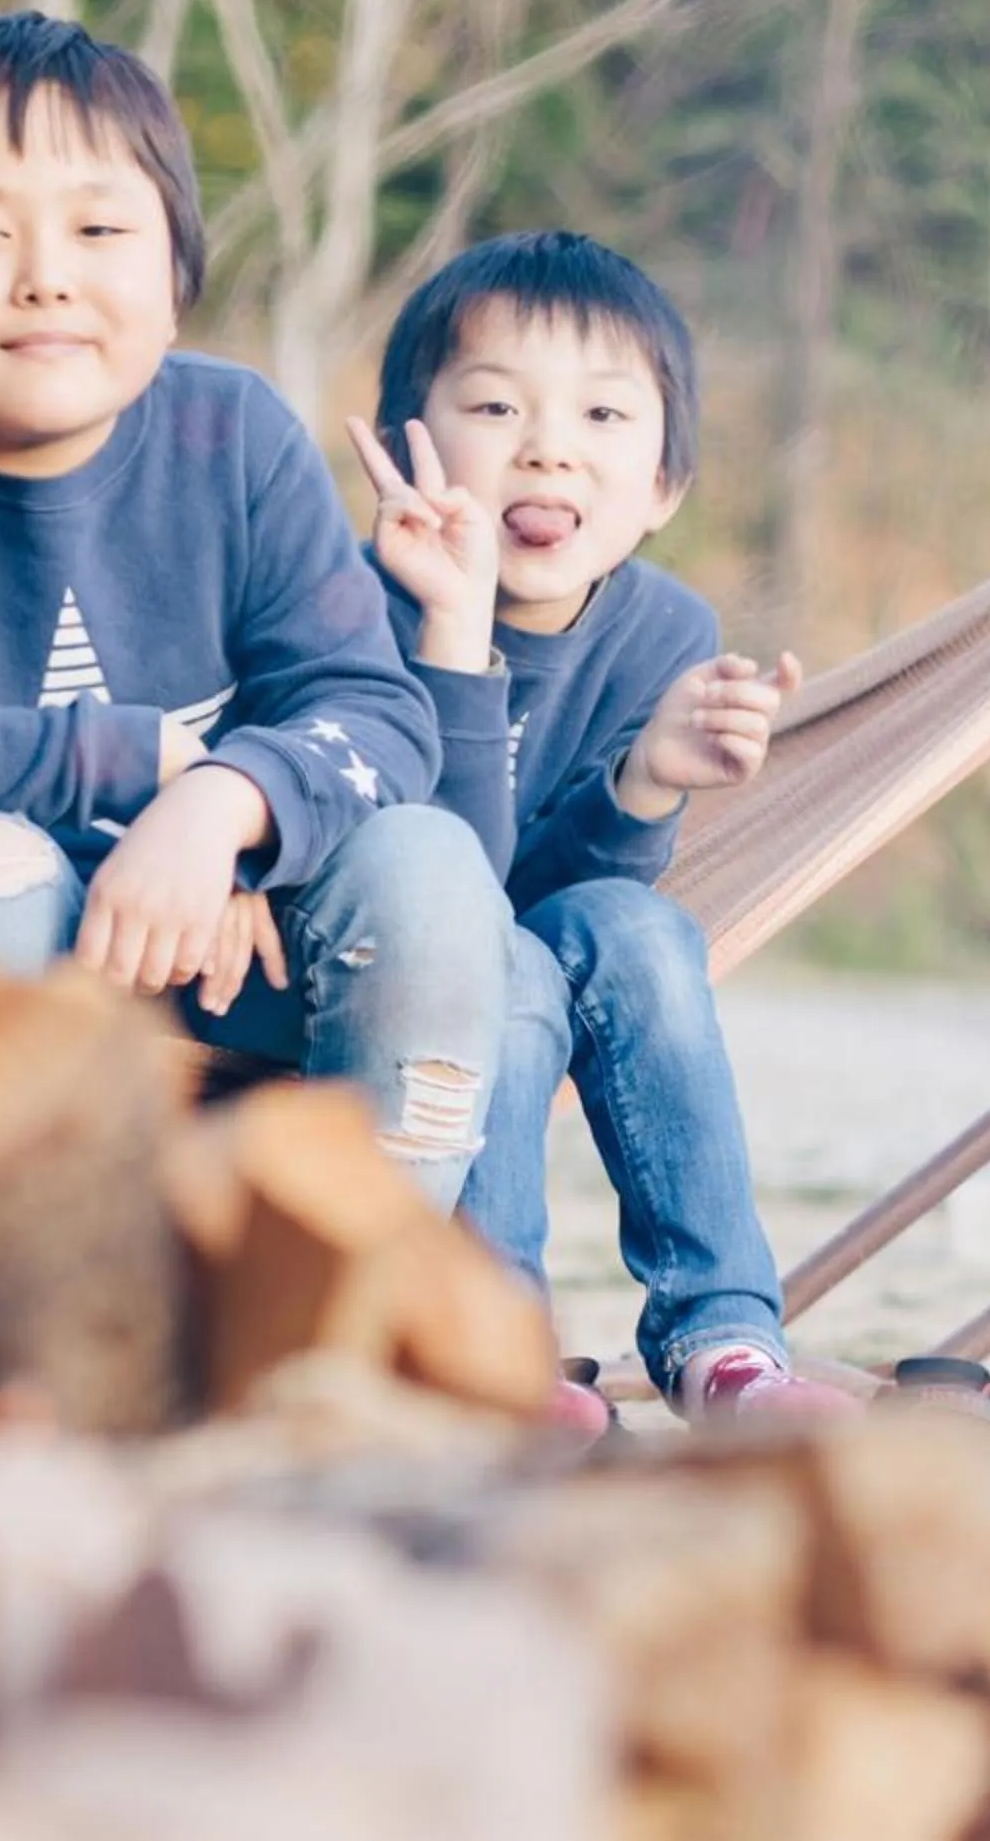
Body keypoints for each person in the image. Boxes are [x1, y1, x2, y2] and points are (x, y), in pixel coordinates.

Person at [0, 12, 512, 1211]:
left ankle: (356, 1281)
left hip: (231, 951)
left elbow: (371, 711)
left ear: (176, 282)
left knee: (430, 865)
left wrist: (219, 806)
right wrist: (121, 756)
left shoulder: (230, 438)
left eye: (98, 228)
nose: (47, 274)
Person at [346, 230, 850, 1418]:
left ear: (666, 486)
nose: (548, 451)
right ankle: (492, 1354)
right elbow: (436, 900)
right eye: (494, 405)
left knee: (635, 925)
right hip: (382, 993)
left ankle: (723, 1344)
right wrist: (455, 636)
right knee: (500, 957)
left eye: (604, 420)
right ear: (408, 447)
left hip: (531, 967)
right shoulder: (346, 608)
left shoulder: (663, 631)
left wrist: (646, 783)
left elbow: (564, 898)